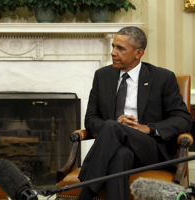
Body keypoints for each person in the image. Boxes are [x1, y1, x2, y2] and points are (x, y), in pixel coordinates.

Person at [77, 26, 192, 200]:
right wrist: (116, 125)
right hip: (116, 148)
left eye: (120, 48)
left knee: (112, 127)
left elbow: (183, 119)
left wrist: (148, 128)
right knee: (120, 152)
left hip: (150, 148)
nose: (113, 53)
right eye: (113, 46)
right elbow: (91, 119)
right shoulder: (102, 76)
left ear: (139, 53)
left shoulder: (162, 77)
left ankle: (85, 192)